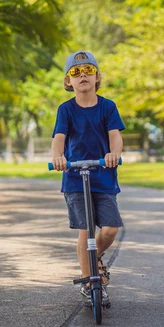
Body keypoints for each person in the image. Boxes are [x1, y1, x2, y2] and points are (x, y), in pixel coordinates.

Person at [51, 50, 125, 303]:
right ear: (68, 81)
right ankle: (89, 281)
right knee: (86, 231)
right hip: (74, 178)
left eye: (88, 71)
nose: (82, 75)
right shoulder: (66, 110)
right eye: (75, 72)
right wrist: (58, 157)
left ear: (97, 77)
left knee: (110, 228)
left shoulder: (107, 107)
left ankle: (93, 259)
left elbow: (115, 135)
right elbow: (59, 138)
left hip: (103, 176)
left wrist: (114, 153)